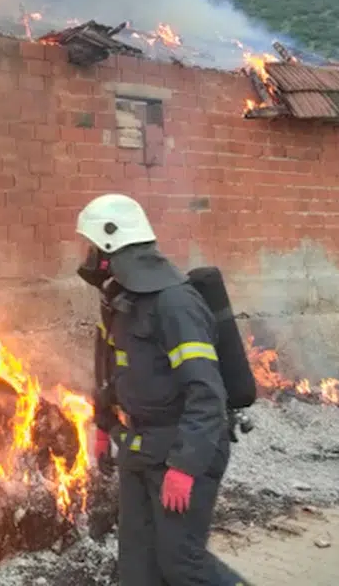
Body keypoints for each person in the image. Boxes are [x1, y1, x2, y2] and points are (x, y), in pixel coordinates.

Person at [76, 194, 249, 586]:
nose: (86, 255)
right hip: (139, 446)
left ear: (111, 247)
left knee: (181, 564)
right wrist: (103, 427)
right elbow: (109, 375)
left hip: (182, 447)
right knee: (138, 567)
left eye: (91, 246)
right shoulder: (119, 301)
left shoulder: (175, 304)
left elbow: (207, 395)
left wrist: (185, 467)